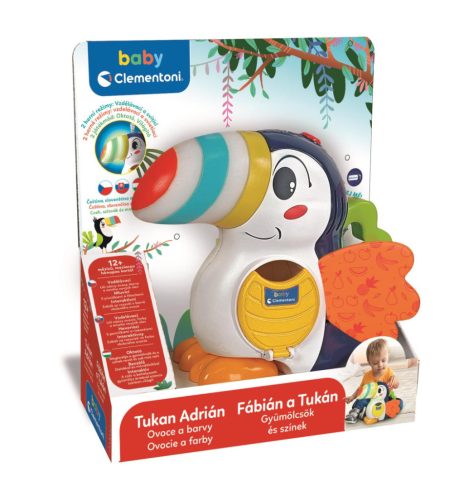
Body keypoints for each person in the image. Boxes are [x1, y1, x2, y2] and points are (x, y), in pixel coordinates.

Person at [345, 338, 399, 424]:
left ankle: (381, 413)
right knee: (362, 399)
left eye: (383, 360)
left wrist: (395, 380)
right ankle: (355, 412)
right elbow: (360, 390)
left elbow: (396, 385)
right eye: (375, 363)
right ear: (369, 363)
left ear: (388, 357)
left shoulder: (389, 372)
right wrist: (352, 397)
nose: (380, 364)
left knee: (399, 402)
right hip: (371, 400)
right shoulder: (367, 376)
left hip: (385, 399)